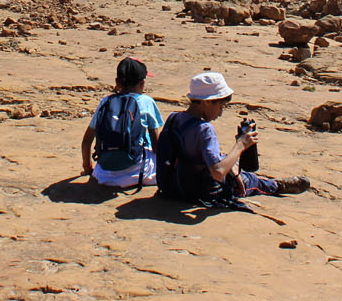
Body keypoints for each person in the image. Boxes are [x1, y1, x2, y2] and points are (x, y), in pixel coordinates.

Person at [155, 71, 308, 210]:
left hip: (172, 186)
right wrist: (240, 145)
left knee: (234, 168)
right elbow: (218, 172)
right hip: (198, 190)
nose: (220, 113)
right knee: (250, 180)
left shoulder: (175, 118)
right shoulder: (204, 129)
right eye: (221, 106)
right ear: (207, 102)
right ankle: (276, 186)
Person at [81, 57, 163, 188]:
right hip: (138, 174)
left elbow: (86, 141)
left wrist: (88, 168)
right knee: (147, 138)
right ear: (142, 84)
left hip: (104, 174)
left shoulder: (105, 103)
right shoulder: (146, 102)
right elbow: (156, 146)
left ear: (117, 82)